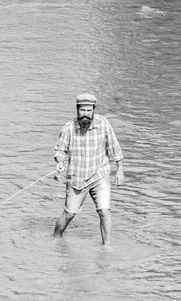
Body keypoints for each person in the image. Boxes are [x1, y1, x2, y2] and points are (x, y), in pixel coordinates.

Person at [53, 93, 124, 247]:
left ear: (94, 110)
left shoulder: (104, 124)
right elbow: (60, 150)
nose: (86, 114)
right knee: (69, 213)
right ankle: (56, 239)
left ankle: (107, 246)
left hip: (100, 174)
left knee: (104, 211)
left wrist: (120, 169)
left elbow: (114, 147)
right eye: (82, 110)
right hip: (77, 177)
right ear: (77, 110)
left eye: (89, 110)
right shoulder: (69, 128)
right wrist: (60, 161)